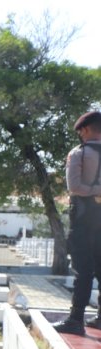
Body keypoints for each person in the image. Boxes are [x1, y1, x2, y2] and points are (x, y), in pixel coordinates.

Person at [52, 111, 101, 336]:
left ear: (86, 130)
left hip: (84, 217)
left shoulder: (79, 153)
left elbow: (74, 187)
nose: (80, 135)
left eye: (81, 131)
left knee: (83, 270)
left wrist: (95, 192)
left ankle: (75, 319)